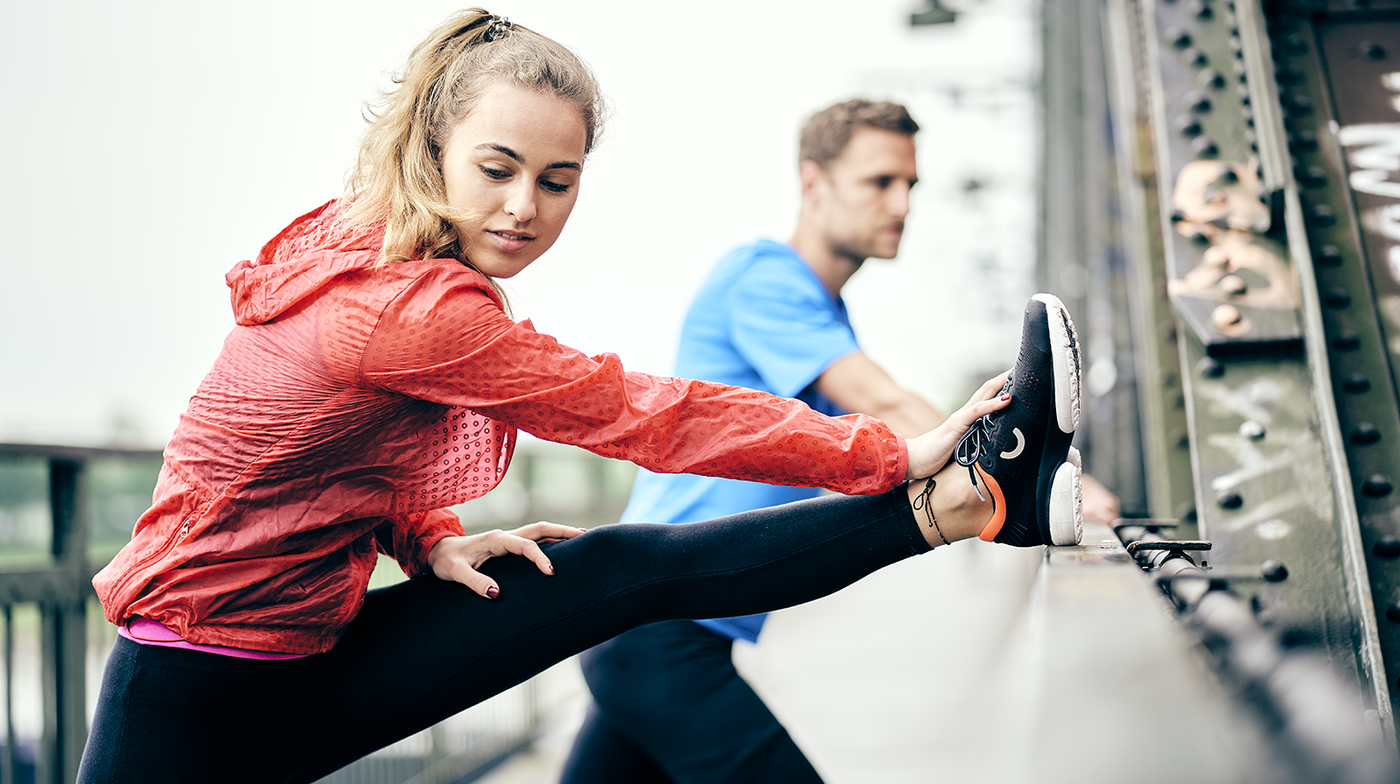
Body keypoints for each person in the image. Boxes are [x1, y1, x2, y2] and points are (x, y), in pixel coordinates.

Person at [76, 10, 1083, 784]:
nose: (524, 207)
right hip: (199, 690)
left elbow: (336, 451)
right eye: (497, 169)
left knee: (609, 568)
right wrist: (889, 450)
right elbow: (638, 413)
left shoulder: (376, 255)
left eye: (556, 181)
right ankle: (957, 495)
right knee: (625, 570)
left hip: (303, 651)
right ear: (432, 149)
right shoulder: (402, 303)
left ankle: (974, 501)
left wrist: (428, 537)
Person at [559, 99, 1119, 784]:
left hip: (647, 622)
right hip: (661, 629)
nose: (902, 204)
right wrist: (1031, 463)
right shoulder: (763, 280)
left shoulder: (820, 306)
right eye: (879, 182)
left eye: (910, 184)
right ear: (814, 182)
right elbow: (882, 402)